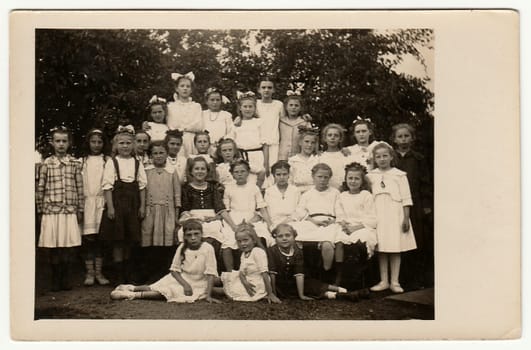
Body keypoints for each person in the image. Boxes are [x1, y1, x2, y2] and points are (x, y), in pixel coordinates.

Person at [110, 219, 221, 303]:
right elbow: (174, 270)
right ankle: (131, 288)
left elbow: (211, 273)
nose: (193, 238)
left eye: (196, 234)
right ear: (185, 237)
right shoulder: (182, 247)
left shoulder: (207, 248)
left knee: (171, 291)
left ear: (202, 234)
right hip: (181, 278)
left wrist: (208, 296)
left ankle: (132, 295)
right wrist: (185, 284)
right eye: (189, 235)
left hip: (199, 282)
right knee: (156, 286)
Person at [36, 126, 84, 291]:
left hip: (69, 210)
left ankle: (65, 278)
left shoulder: (74, 163)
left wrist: (80, 209)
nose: (61, 144)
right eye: (58, 141)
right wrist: (40, 209)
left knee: (67, 245)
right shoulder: (47, 163)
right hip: (51, 211)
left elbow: (79, 187)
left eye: (64, 141)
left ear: (69, 143)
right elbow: (41, 187)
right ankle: (55, 279)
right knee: (54, 245)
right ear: (52, 143)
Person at [268, 224, 368, 302]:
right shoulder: (272, 251)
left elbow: (299, 273)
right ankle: (342, 296)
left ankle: (344, 290)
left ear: (294, 237)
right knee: (310, 291)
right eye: (280, 236)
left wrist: (301, 295)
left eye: (288, 235)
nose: (284, 238)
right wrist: (273, 293)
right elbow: (272, 274)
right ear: (275, 238)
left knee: (313, 284)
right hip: (280, 284)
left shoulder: (297, 251)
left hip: (296, 281)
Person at [99, 126, 147, 283]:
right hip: (118, 205)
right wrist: (111, 208)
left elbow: (142, 186)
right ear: (116, 145)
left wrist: (142, 207)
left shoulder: (137, 163)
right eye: (121, 143)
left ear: (133, 145)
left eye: (128, 143)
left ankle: (128, 273)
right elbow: (107, 187)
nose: (125, 146)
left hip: (133, 206)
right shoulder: (112, 162)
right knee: (118, 240)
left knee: (130, 240)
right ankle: (118, 274)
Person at [367, 142, 416, 294]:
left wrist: (406, 218)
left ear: (391, 157)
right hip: (378, 214)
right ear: (374, 159)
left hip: (395, 213)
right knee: (382, 247)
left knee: (395, 248)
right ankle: (384, 281)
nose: (382, 159)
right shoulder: (370, 176)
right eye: (378, 156)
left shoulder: (399, 175)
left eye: (385, 156)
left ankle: (395, 281)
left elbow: (407, 198)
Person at [391, 123, 433, 289]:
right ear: (394, 139)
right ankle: (398, 278)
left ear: (412, 138)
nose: (403, 139)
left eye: (406, 136)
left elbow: (425, 183)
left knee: (416, 240)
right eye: (399, 136)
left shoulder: (418, 159)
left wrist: (427, 206)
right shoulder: (390, 158)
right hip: (394, 204)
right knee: (397, 239)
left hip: (415, 204)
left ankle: (416, 280)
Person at [178, 157, 236, 265]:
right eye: (196, 169)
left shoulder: (213, 187)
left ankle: (213, 268)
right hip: (192, 218)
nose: (200, 171)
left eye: (202, 169)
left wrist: (233, 226)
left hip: (212, 219)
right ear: (191, 171)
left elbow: (220, 209)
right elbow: (184, 210)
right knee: (186, 232)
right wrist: (192, 219)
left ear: (207, 171)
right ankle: (191, 266)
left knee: (216, 232)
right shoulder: (186, 188)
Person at [221, 159, 274, 271]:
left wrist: (269, 224)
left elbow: (261, 206)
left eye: (243, 171)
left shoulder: (254, 188)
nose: (240, 174)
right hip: (234, 220)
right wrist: (234, 226)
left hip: (252, 218)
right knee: (228, 242)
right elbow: (226, 209)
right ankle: (231, 274)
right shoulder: (229, 189)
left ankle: (264, 270)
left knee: (261, 236)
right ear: (232, 174)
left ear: (248, 173)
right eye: (236, 172)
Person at [289, 163, 341, 277]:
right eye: (319, 177)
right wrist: (313, 220)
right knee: (295, 232)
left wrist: (334, 220)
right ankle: (299, 269)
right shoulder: (308, 194)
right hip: (312, 221)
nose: (322, 180)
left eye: (326, 177)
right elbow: (300, 211)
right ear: (313, 177)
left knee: (328, 241)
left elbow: (339, 209)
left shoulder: (335, 193)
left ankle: (326, 271)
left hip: (329, 222)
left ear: (329, 178)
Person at [140, 141, 181, 279]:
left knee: (166, 242)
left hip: (167, 211)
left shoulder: (172, 171)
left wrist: (176, 215)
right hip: (150, 210)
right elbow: (142, 190)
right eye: (155, 153)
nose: (158, 156)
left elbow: (177, 194)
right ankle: (149, 273)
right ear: (151, 155)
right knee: (149, 241)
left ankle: (165, 274)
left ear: (166, 154)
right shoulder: (146, 170)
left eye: (161, 153)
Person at [334, 162, 378, 286]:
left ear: (362, 181)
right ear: (346, 179)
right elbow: (340, 214)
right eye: (350, 178)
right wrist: (344, 225)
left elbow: (372, 218)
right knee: (339, 240)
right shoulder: (342, 196)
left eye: (356, 178)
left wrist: (355, 228)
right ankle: (339, 274)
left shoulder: (366, 195)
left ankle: (358, 277)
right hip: (346, 227)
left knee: (360, 241)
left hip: (362, 226)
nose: (353, 181)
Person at [220, 223, 281, 303]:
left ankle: (207, 289)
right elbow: (241, 273)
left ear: (254, 240)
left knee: (230, 289)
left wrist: (270, 293)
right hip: (247, 280)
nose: (242, 244)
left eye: (245, 240)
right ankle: (205, 286)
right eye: (239, 241)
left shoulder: (258, 252)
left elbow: (264, 274)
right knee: (230, 280)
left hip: (258, 282)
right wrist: (245, 283)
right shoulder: (244, 254)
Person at [80, 128, 110, 286]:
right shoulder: (82, 161)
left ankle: (99, 272)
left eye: (100, 142)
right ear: (88, 143)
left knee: (100, 239)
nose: (96, 145)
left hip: (102, 202)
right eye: (93, 142)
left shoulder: (107, 160)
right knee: (89, 239)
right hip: (87, 203)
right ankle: (89, 273)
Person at [232, 91, 268, 187]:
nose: (248, 109)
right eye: (245, 106)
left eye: (250, 107)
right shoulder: (236, 124)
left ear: (255, 108)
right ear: (240, 108)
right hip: (241, 156)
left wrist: (266, 164)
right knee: (243, 182)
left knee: (258, 181)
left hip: (256, 155)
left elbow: (265, 145)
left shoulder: (259, 122)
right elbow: (233, 143)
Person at [166, 72, 203, 157]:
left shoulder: (196, 106)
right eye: (182, 86)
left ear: (191, 89)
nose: (185, 89)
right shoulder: (171, 106)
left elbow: (198, 125)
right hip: (176, 140)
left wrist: (183, 128)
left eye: (188, 86)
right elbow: (171, 125)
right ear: (176, 88)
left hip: (192, 140)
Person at [255, 78, 284, 169]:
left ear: (273, 90)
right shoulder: (255, 103)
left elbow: (285, 120)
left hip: (273, 142)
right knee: (259, 169)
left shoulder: (279, 104)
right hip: (257, 142)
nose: (266, 90)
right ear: (259, 90)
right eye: (263, 87)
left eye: (269, 87)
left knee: (272, 169)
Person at [264, 161, 301, 228]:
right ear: (273, 176)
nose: (282, 177)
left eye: (284, 174)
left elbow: (299, 210)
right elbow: (268, 212)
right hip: (274, 223)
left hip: (292, 222)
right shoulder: (269, 192)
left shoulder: (295, 190)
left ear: (289, 175)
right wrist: (271, 225)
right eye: (278, 174)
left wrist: (288, 220)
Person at [201, 87, 236, 156]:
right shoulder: (202, 114)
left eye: (218, 100)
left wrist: (222, 141)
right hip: (205, 147)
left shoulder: (226, 115)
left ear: (221, 101)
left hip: (222, 147)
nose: (215, 102)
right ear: (206, 101)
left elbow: (231, 132)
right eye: (212, 100)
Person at [278, 94, 313, 161]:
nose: (293, 107)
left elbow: (311, 138)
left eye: (296, 105)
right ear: (286, 107)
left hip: (298, 155)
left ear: (300, 108)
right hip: (282, 154)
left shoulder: (304, 122)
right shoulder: (280, 121)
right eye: (291, 105)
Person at [288, 127, 320, 193]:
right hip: (297, 192)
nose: (309, 145)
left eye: (312, 143)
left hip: (314, 192)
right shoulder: (293, 161)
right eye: (306, 141)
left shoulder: (317, 159)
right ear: (300, 142)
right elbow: (289, 182)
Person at [318, 123, 349, 189]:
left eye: (336, 135)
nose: (332, 137)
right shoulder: (320, 157)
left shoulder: (345, 156)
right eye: (329, 135)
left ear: (340, 139)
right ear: (325, 138)